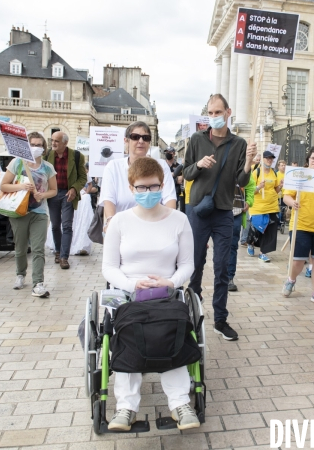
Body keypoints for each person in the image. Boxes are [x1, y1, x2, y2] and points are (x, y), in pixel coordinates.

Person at [101, 157, 199, 431]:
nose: (147, 193)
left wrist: (170, 282)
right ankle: (126, 407)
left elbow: (188, 264)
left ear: (162, 185)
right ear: (131, 188)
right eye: (141, 188)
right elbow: (108, 267)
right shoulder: (119, 222)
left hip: (166, 292)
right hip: (128, 290)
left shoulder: (179, 220)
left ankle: (180, 402)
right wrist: (133, 285)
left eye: (152, 187)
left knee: (171, 328)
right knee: (127, 330)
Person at [183, 94, 257, 341]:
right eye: (210, 113)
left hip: (224, 211)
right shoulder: (197, 139)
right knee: (195, 263)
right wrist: (199, 165)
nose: (214, 117)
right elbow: (186, 174)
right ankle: (191, 313)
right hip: (199, 211)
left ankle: (220, 320)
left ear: (228, 112)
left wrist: (247, 164)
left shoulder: (238, 144)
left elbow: (241, 181)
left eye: (218, 112)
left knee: (222, 267)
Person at [1, 132, 57, 297]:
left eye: (39, 145)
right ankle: (20, 274)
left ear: (44, 148)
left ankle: (38, 283)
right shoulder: (17, 163)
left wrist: (42, 195)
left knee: (38, 248)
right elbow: (4, 185)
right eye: (32, 144)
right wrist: (21, 187)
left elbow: (54, 190)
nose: (36, 148)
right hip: (19, 211)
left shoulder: (47, 167)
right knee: (20, 248)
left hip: (39, 212)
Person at [100, 122, 176, 231]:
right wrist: (111, 222)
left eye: (145, 138)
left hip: (154, 227)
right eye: (135, 137)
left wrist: (169, 222)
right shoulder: (113, 166)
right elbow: (108, 199)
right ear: (126, 140)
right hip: (123, 229)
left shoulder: (161, 165)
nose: (141, 141)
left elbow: (169, 198)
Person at [282, 144, 314, 303]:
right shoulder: (299, 174)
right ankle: (291, 279)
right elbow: (286, 196)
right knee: (298, 261)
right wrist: (292, 202)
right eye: (313, 158)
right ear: (308, 159)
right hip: (300, 225)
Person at [45, 132, 87, 270]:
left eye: (57, 141)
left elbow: (82, 178)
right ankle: (58, 251)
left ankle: (64, 257)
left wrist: (75, 189)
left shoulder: (76, 156)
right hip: (53, 193)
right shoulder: (47, 156)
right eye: (52, 140)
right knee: (55, 225)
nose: (54, 143)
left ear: (65, 143)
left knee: (67, 225)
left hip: (68, 194)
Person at [247, 151, 283, 262]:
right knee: (257, 229)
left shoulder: (274, 173)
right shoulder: (256, 173)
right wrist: (258, 187)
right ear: (262, 159)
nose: (269, 160)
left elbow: (275, 190)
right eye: (267, 158)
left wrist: (280, 186)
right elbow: (249, 191)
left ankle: (263, 253)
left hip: (272, 206)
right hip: (258, 207)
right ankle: (251, 243)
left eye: (271, 158)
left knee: (270, 231)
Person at [227, 179, 255, 292]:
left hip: (237, 213)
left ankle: (229, 277)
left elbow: (251, 186)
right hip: (220, 211)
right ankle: (220, 276)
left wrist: (248, 201)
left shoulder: (244, 168)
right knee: (221, 246)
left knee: (232, 246)